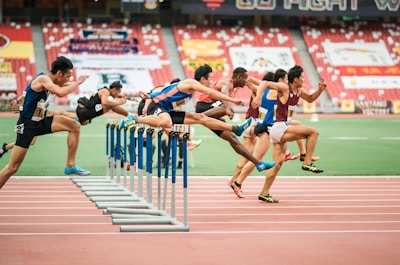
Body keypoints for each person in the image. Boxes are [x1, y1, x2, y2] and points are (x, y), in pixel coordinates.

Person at [0, 56, 90, 189]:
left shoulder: (49, 80)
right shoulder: (43, 79)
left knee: (74, 125)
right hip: (28, 125)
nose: (68, 79)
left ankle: (70, 166)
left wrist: (18, 101)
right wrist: (77, 83)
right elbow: (60, 92)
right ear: (59, 73)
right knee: (12, 168)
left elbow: (30, 90)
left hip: (41, 120)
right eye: (68, 76)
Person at [239, 65, 325, 203]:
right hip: (279, 127)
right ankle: (306, 161)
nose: (304, 79)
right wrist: (258, 97)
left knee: (277, 164)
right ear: (295, 79)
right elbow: (265, 83)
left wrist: (320, 90)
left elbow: (309, 99)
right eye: (302, 77)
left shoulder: (298, 90)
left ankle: (264, 193)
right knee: (313, 132)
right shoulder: (285, 87)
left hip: (281, 128)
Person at [194, 64, 274, 172]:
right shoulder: (228, 82)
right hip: (203, 106)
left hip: (211, 110)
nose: (246, 82)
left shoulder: (234, 88)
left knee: (233, 140)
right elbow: (224, 92)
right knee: (227, 107)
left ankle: (258, 164)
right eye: (245, 79)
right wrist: (227, 108)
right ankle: (196, 118)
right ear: (239, 77)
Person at [228, 71, 278, 193]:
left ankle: (234, 180)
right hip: (253, 124)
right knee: (249, 155)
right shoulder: (264, 91)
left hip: (253, 123)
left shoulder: (261, 91)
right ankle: (235, 181)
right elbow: (249, 82)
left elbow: (249, 83)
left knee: (247, 155)